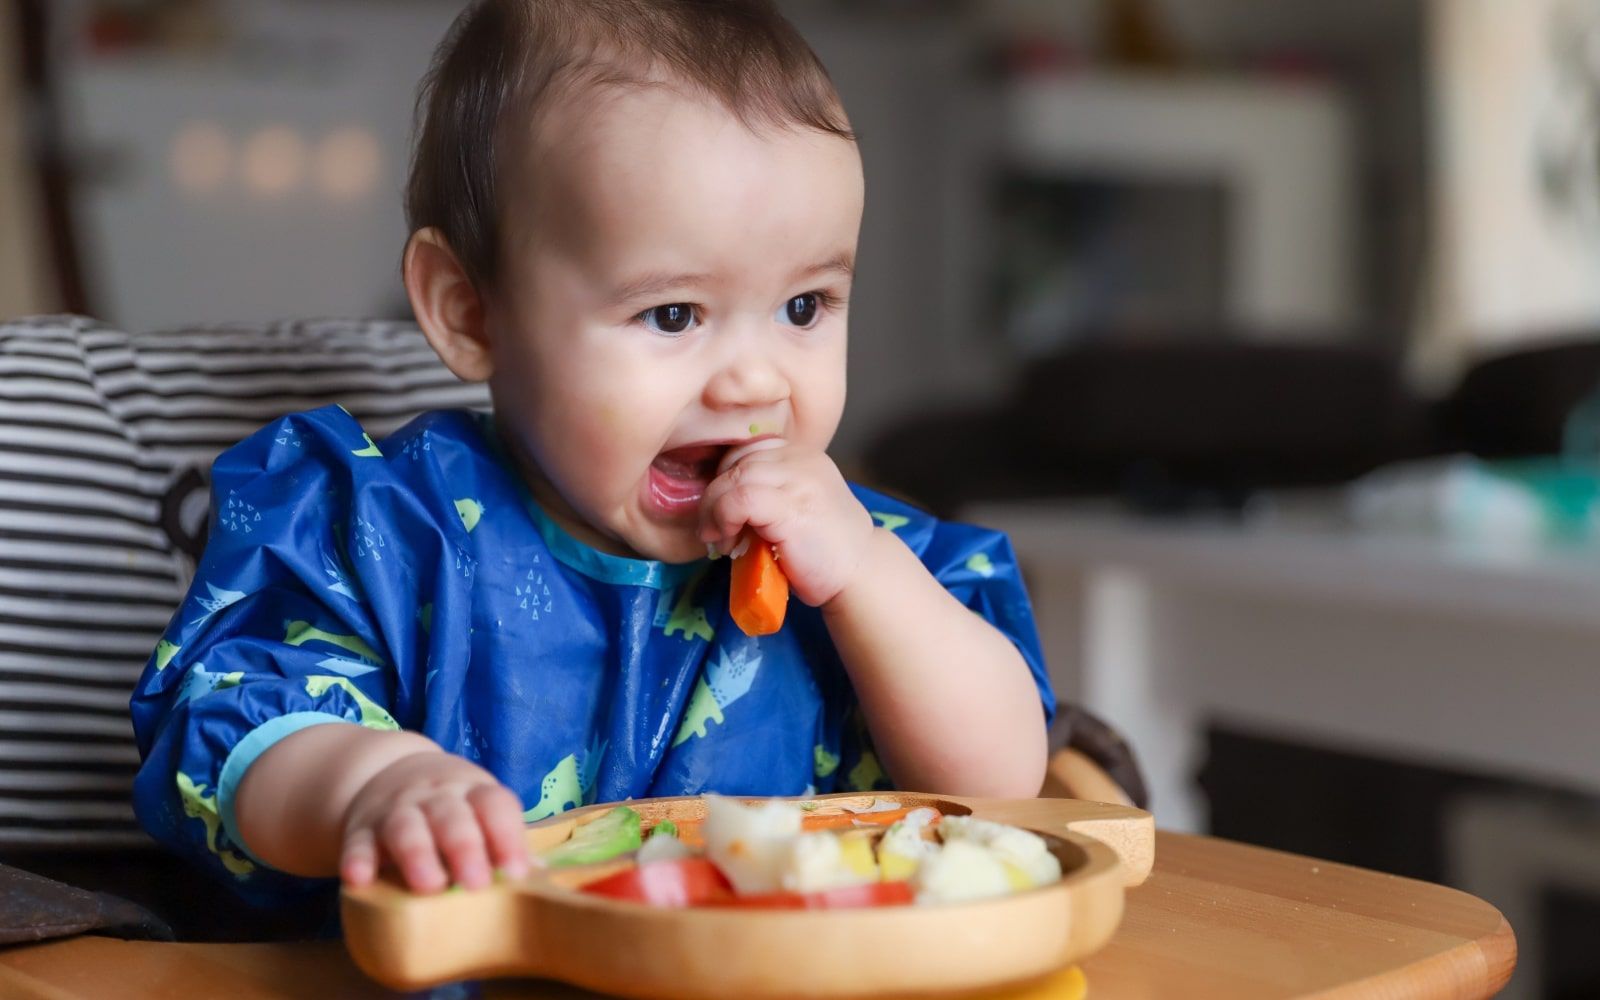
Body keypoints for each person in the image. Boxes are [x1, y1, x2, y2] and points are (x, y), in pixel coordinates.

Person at [131, 0, 1053, 912]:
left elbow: (1005, 782)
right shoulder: (380, 529)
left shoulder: (867, 558)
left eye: (804, 307)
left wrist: (866, 577)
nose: (755, 383)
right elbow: (235, 732)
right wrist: (373, 787)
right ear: (469, 312)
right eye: (673, 315)